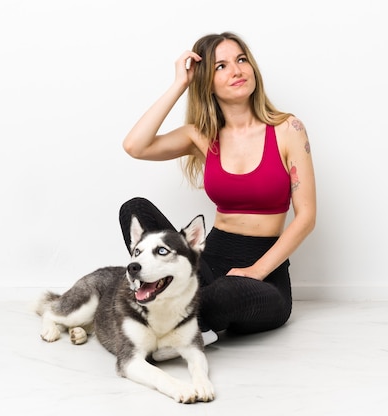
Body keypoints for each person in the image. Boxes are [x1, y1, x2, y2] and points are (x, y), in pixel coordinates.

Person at [120, 32, 316, 360]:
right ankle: (183, 317)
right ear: (206, 83)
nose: (236, 70)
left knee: (224, 291)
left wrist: (255, 271)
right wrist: (180, 84)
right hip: (208, 263)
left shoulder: (287, 129)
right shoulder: (202, 134)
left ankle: (178, 323)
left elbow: (306, 217)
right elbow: (135, 146)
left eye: (241, 60)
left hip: (264, 277)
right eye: (221, 66)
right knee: (135, 209)